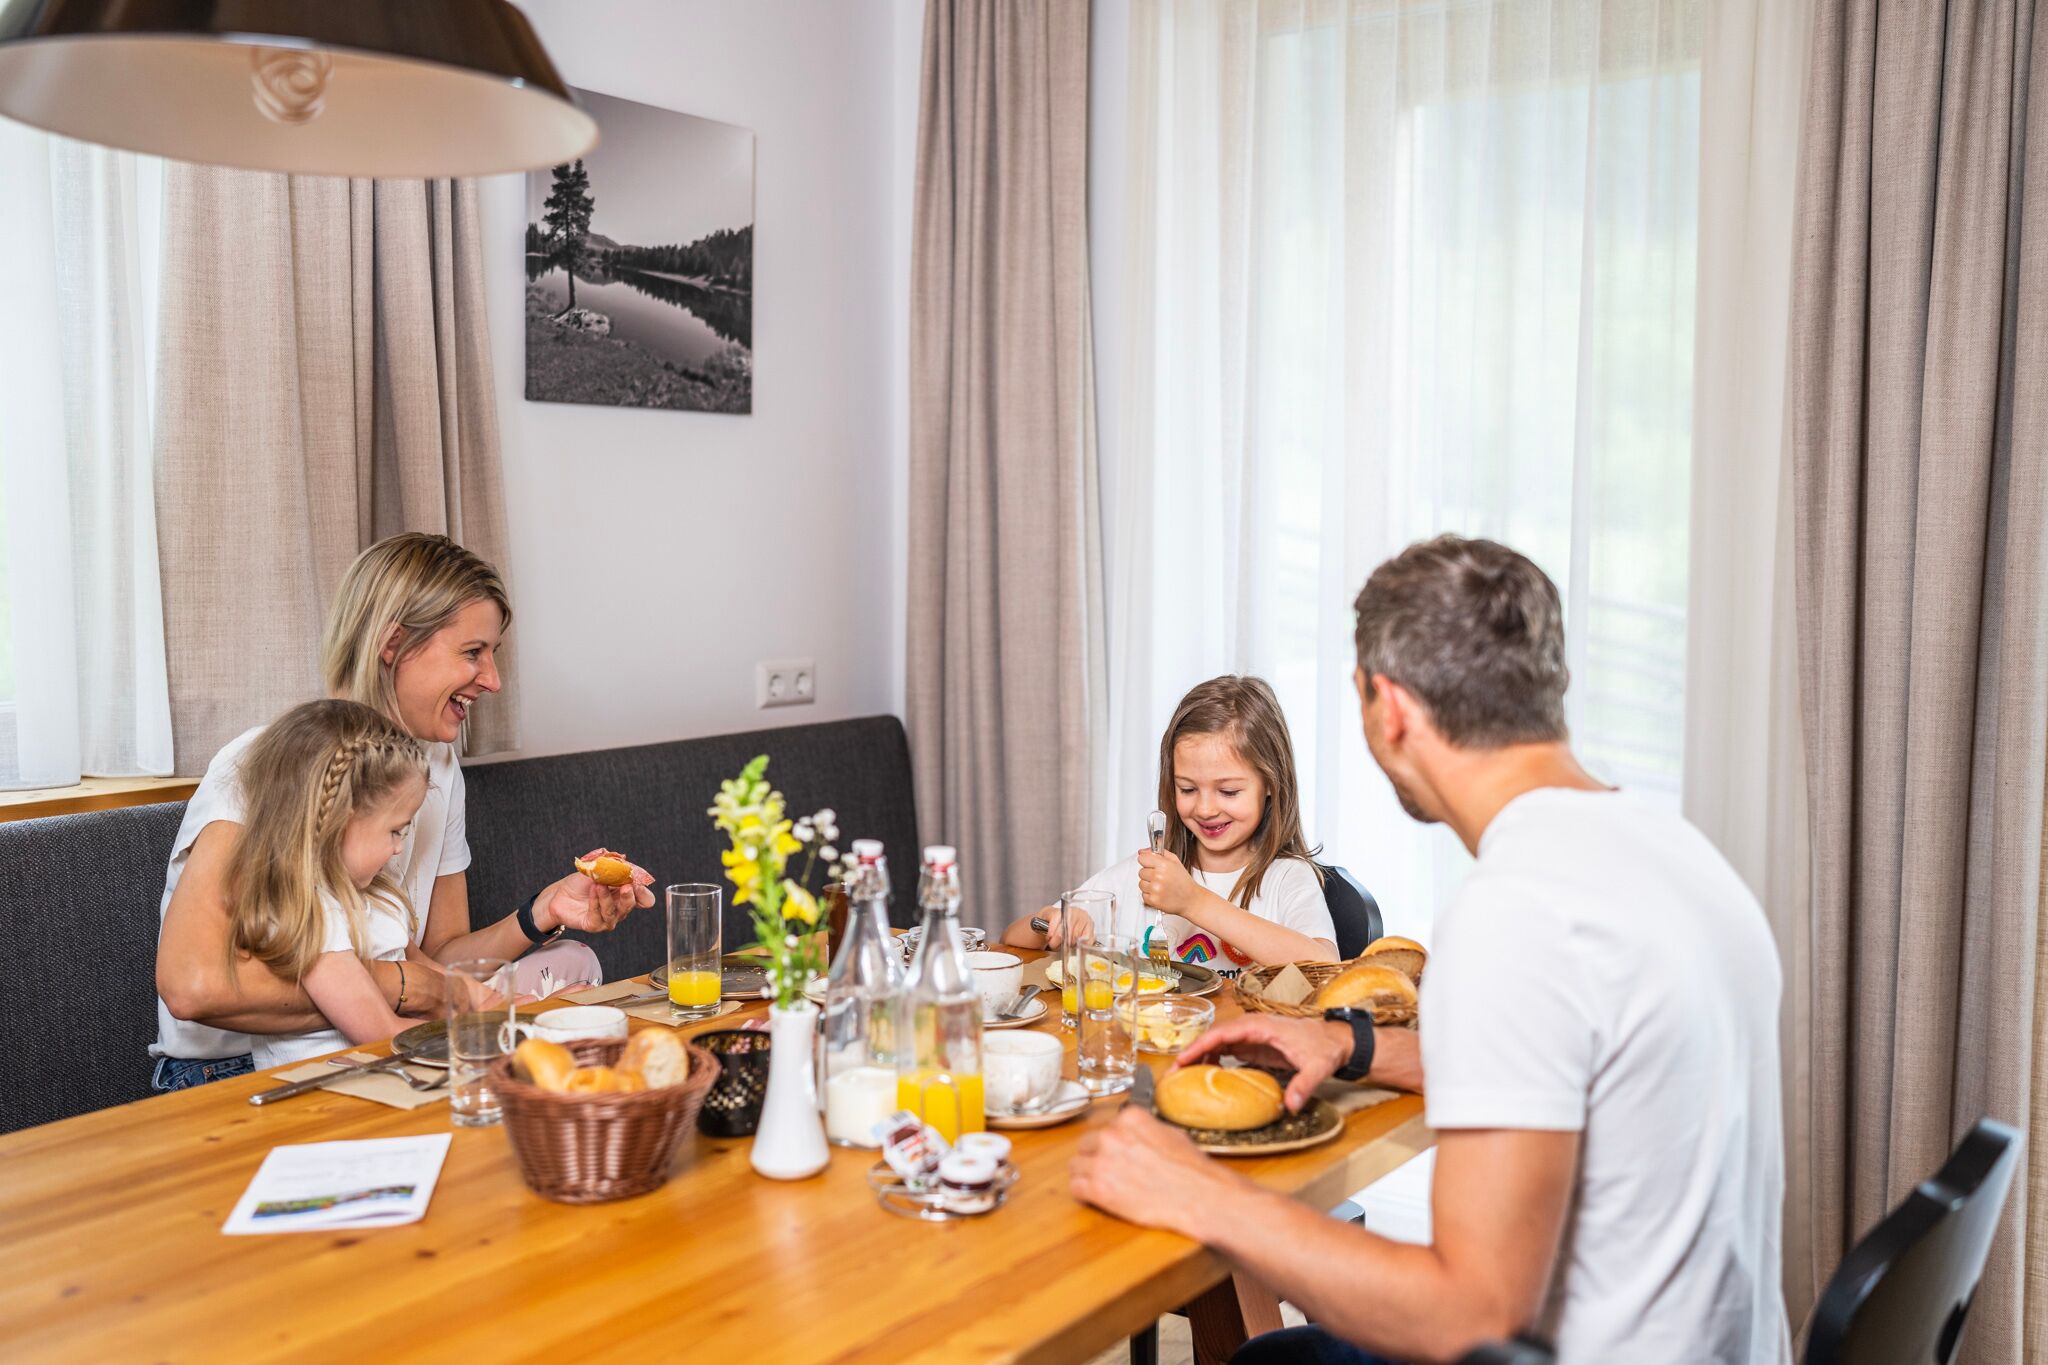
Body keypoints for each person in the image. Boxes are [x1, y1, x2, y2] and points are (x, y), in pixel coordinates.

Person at [1070, 536, 1791, 1364]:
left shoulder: (1518, 913)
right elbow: (1585, 1068)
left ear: (1391, 706)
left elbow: (1466, 1315)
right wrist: (1358, 1042)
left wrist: (1200, 1194)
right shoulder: (1674, 851)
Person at [151, 533, 653, 1091]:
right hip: (237, 1071)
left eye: (493, 655)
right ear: (394, 644)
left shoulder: (436, 766)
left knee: (574, 981)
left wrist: (542, 911)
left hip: (387, 1033)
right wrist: (419, 990)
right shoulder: (268, 765)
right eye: (472, 652)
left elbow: (440, 955)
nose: (492, 680)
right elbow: (192, 987)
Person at [1001, 675, 1337, 972]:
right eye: (1187, 789)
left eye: (1228, 791)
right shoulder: (1144, 875)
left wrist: (1194, 901)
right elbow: (1011, 941)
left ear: (1270, 785)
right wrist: (1052, 920)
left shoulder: (1288, 878)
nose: (1205, 808)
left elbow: (1324, 968)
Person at [226, 700, 441, 1067]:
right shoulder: (308, 912)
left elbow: (434, 978)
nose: (399, 847)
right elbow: (381, 1033)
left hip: (390, 1075)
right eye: (395, 830)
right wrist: (472, 1029)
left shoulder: (377, 896)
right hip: (332, 1094)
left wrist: (499, 1004)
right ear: (339, 822)